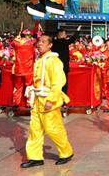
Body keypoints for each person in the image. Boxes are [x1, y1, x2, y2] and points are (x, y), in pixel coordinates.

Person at [21, 34, 73, 168]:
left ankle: (66, 152)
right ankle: (35, 157)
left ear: (50, 45)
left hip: (49, 99)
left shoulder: (54, 61)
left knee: (53, 128)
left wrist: (51, 99)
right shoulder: (39, 59)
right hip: (38, 99)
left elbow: (58, 82)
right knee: (35, 129)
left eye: (43, 42)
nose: (39, 44)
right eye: (39, 41)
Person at [11, 29, 36, 109]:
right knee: (29, 86)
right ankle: (29, 103)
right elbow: (35, 55)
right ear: (27, 36)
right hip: (28, 69)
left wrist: (16, 38)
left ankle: (16, 102)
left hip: (18, 69)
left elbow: (12, 43)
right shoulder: (31, 43)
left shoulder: (16, 43)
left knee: (18, 87)